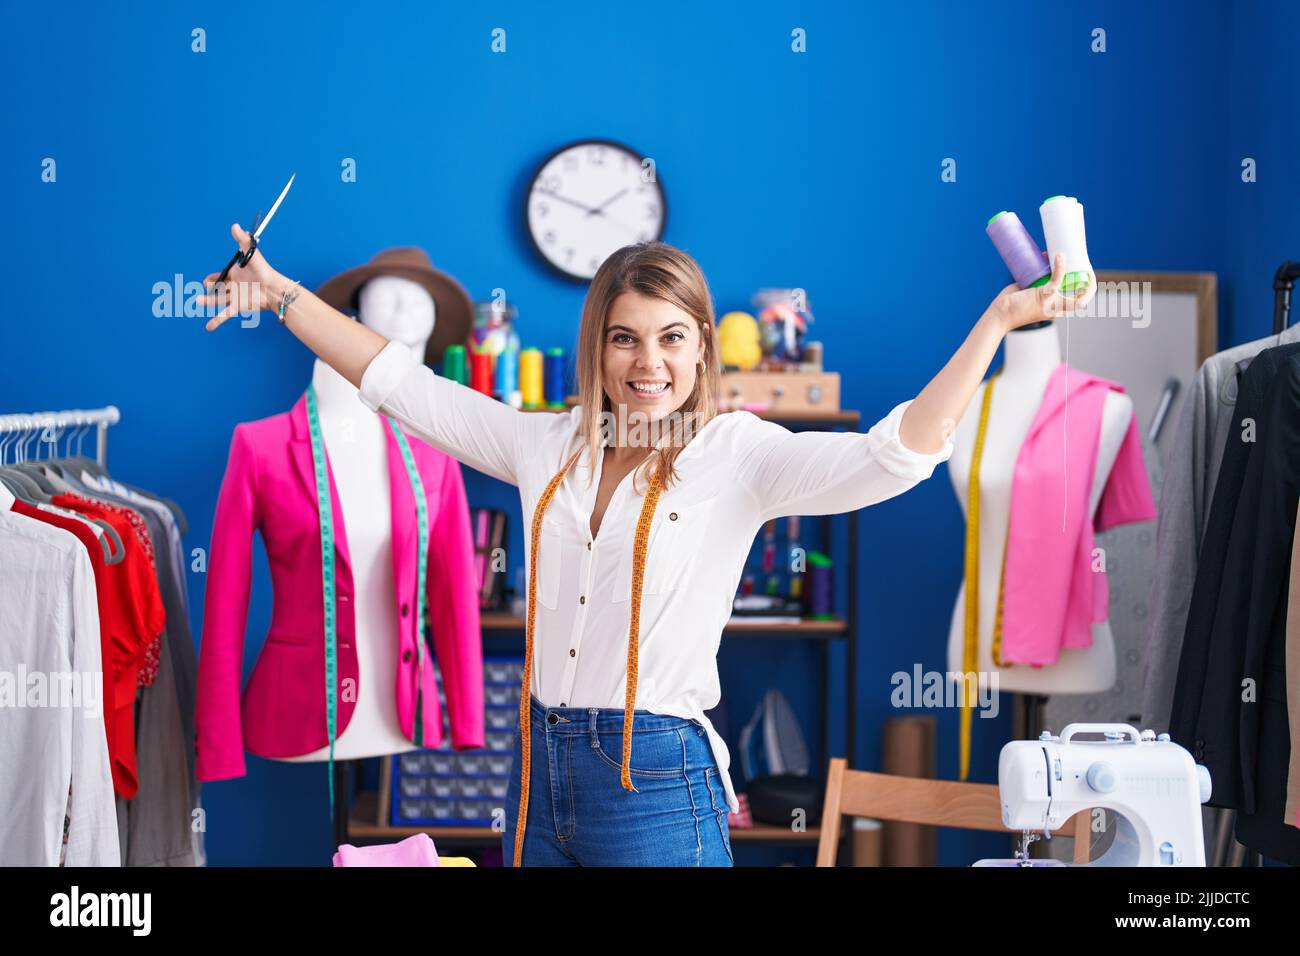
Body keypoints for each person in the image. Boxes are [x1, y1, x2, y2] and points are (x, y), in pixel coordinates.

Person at [200, 225, 1094, 866]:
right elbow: (397, 381)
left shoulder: (737, 457)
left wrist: (996, 324)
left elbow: (893, 457)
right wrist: (279, 292)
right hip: (536, 774)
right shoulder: (541, 443)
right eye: (625, 337)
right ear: (600, 345)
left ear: (702, 348)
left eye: (671, 338)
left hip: (657, 784)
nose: (647, 362)